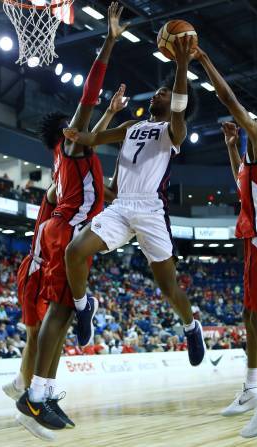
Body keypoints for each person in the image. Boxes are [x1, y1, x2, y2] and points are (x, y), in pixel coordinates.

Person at [16, 2, 127, 436]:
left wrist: (112, 116)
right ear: (67, 132)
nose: (81, 125)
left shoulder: (70, 156)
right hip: (65, 236)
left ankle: (43, 388)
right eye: (75, 125)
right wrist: (110, 40)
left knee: (60, 315)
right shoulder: (73, 146)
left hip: (62, 232)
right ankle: (37, 396)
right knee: (58, 315)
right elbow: (88, 96)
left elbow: (91, 129)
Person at [62, 34, 206, 368]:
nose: (160, 92)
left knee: (169, 287)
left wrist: (182, 65)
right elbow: (91, 138)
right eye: (159, 90)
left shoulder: (174, 131)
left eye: (166, 91)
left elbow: (180, 107)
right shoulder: (131, 126)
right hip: (122, 205)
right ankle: (84, 307)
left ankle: (191, 326)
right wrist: (85, 127)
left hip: (151, 211)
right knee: (74, 251)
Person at [190, 46, 257, 438]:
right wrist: (229, 146)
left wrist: (203, 60)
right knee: (249, 316)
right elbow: (242, 182)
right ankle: (253, 387)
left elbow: (229, 99)